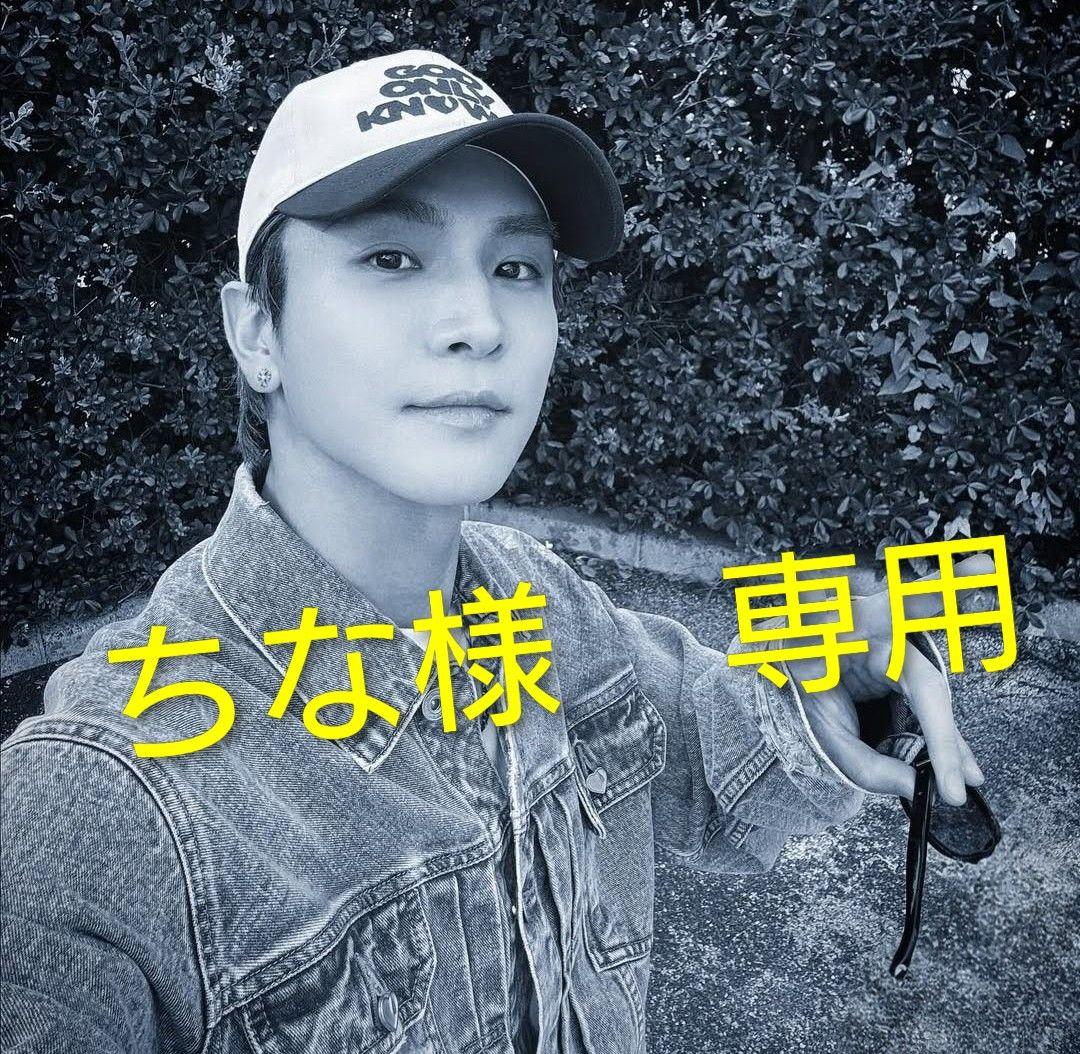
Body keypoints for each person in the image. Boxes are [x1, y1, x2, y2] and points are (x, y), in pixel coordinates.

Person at [1, 48, 985, 1053]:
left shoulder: (540, 604)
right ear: (257, 332)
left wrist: (832, 672)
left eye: (517, 268)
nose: (479, 324)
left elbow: (710, 747)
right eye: (392, 257)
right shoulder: (104, 797)